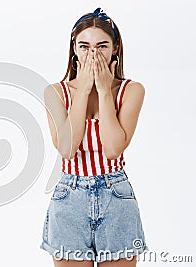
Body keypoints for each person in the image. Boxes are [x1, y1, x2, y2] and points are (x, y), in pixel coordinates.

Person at [40, 7, 149, 266]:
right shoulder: (55, 93)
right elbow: (67, 148)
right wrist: (84, 87)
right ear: (74, 49)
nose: (93, 54)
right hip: (69, 198)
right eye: (84, 46)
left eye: (101, 46)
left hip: (117, 198)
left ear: (115, 49)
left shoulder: (131, 91)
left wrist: (103, 89)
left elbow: (113, 148)